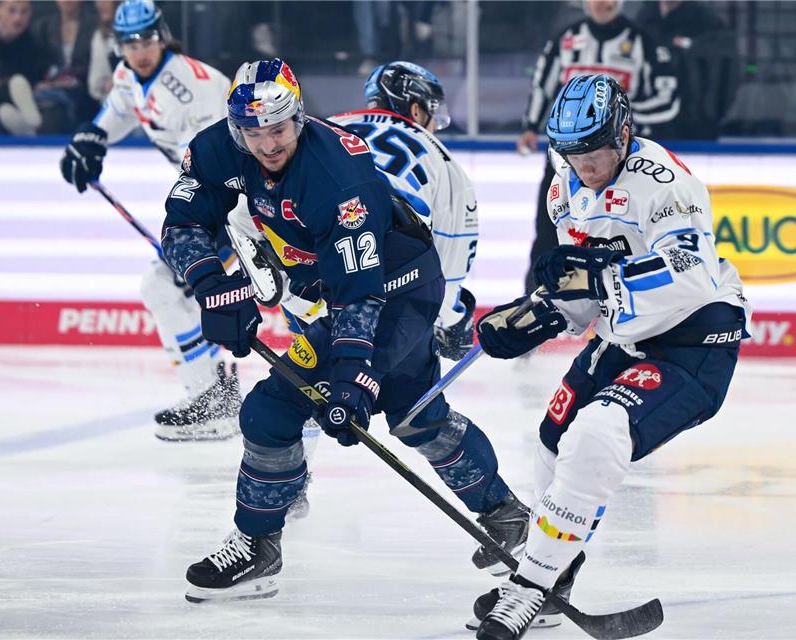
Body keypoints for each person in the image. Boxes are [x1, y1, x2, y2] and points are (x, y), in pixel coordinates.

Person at [162, 58, 530, 603]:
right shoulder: (222, 145)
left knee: (274, 408)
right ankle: (506, 514)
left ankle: (257, 543)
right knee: (412, 412)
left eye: (278, 130)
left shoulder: (339, 176)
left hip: (399, 291)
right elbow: (184, 220)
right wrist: (211, 282)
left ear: (301, 118)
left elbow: (361, 294)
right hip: (338, 288)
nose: (266, 144)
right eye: (253, 132)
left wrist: (355, 374)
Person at [469, 74, 751, 639]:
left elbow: (689, 278)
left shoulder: (665, 184)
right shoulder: (562, 186)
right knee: (554, 439)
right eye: (572, 153)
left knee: (596, 435)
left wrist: (596, 281)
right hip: (624, 338)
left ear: (622, 135)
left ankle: (530, 589)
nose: (585, 166)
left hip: (693, 341)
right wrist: (536, 317)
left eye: (594, 151)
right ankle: (557, 576)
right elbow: (583, 290)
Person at [59, 0, 241, 442]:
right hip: (209, 205)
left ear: (162, 35)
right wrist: (92, 139)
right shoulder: (128, 76)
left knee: (164, 287)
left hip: (237, 206)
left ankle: (215, 395)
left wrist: (198, 224)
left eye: (147, 39)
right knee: (165, 288)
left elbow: (220, 159)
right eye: (130, 42)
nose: (140, 50)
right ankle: (214, 390)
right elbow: (117, 113)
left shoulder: (191, 85)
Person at [518, 0, 680, 297]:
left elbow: (668, 100)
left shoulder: (642, 41)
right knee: (549, 230)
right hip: (566, 158)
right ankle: (540, 299)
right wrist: (530, 125)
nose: (601, 3)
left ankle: (620, 300)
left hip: (621, 159)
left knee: (621, 234)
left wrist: (618, 119)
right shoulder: (565, 39)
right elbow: (542, 84)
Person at [331, 60, 479, 362]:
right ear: (416, 109)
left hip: (310, 253)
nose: (435, 124)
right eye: (433, 114)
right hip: (387, 267)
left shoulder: (329, 125)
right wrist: (453, 322)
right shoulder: (441, 156)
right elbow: (450, 261)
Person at [636, 0, 740, 140]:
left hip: (695, 133)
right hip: (648, 130)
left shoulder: (708, 23)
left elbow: (727, 77)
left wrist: (708, 118)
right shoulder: (644, 20)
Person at [0, 0, 54, 135]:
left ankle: (29, 127)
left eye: (24, 12)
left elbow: (36, 76)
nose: (18, 18)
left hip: (13, 104)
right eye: (12, 11)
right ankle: (30, 132)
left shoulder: (33, 46)